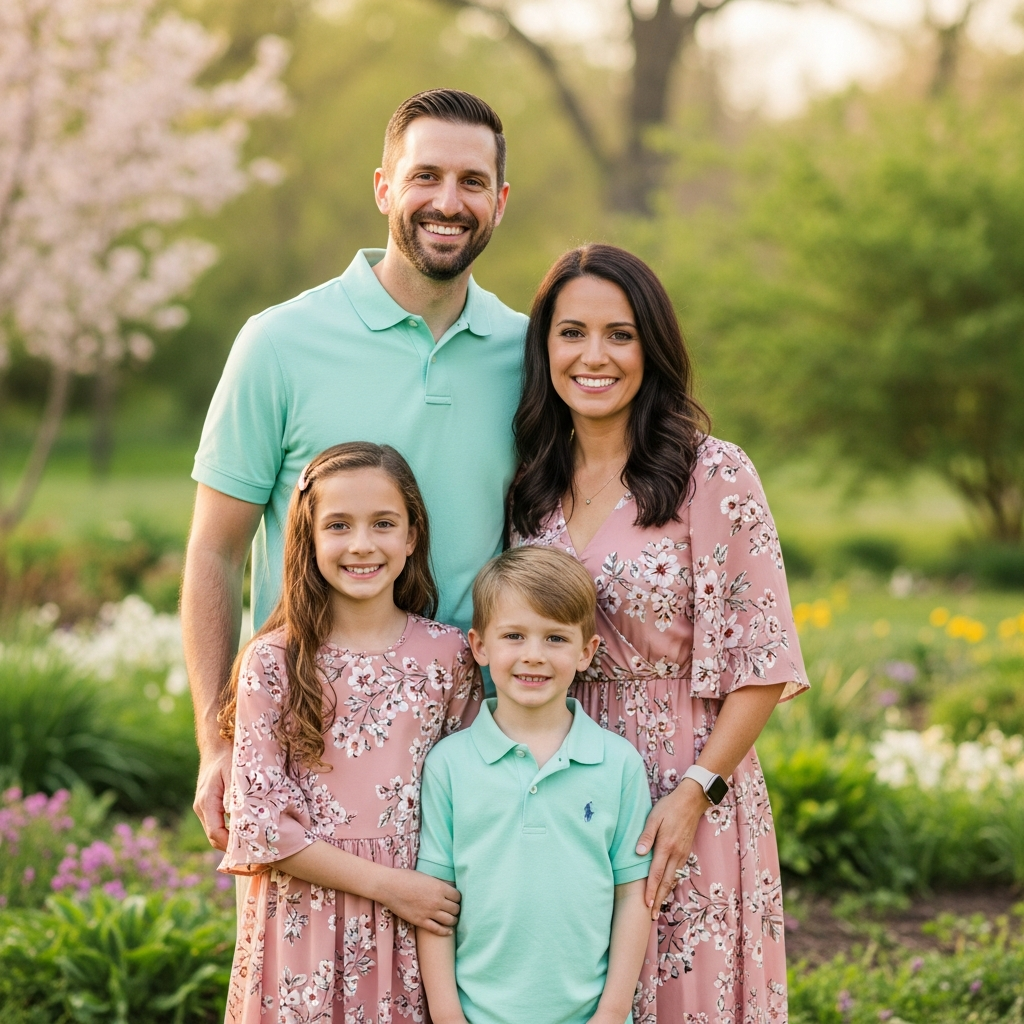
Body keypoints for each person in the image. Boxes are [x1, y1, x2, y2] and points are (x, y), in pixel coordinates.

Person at [183, 88, 526, 853]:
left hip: (477, 748)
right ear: (383, 188)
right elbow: (215, 550)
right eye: (425, 176)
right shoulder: (278, 342)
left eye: (472, 183)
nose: (449, 201)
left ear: (500, 202)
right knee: (302, 970)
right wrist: (217, 743)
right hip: (305, 750)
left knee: (461, 973)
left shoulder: (528, 354)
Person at [508, 244, 809, 1021]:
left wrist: (695, 791)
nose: (594, 356)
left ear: (653, 347)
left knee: (682, 995)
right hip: (562, 778)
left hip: (685, 783)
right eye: (572, 333)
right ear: (546, 349)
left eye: (621, 333)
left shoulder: (713, 473)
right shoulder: (531, 484)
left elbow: (764, 660)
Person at [217, 442, 480, 1023]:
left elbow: (473, 792)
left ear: (412, 536)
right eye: (339, 526)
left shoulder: (447, 656)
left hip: (416, 930)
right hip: (302, 931)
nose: (362, 544)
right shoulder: (273, 662)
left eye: (383, 524)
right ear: (308, 540)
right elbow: (262, 828)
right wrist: (390, 886)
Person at [416, 545, 655, 1024]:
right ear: (480, 646)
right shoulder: (448, 765)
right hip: (476, 1015)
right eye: (514, 635)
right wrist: (447, 1015)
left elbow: (633, 896)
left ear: (587, 652)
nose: (533, 656)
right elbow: (435, 900)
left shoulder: (619, 765)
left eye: (555, 639)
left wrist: (612, 1012)